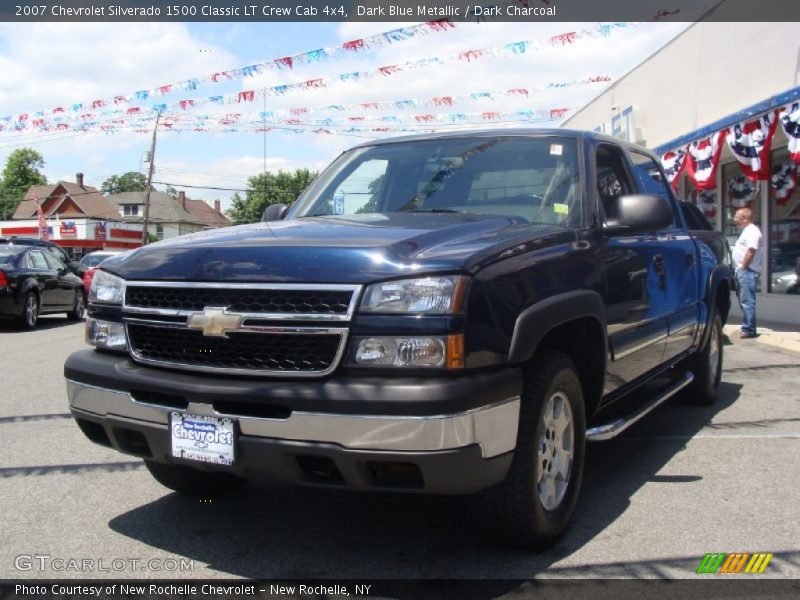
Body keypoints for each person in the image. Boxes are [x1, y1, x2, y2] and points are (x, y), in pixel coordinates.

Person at [732, 207, 763, 338]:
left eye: (737, 217)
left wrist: (743, 267)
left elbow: (751, 251)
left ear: (745, 219)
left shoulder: (752, 231)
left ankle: (748, 329)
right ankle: (749, 327)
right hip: (744, 271)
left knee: (747, 301)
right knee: (744, 300)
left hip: (748, 271)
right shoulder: (747, 231)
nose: (735, 219)